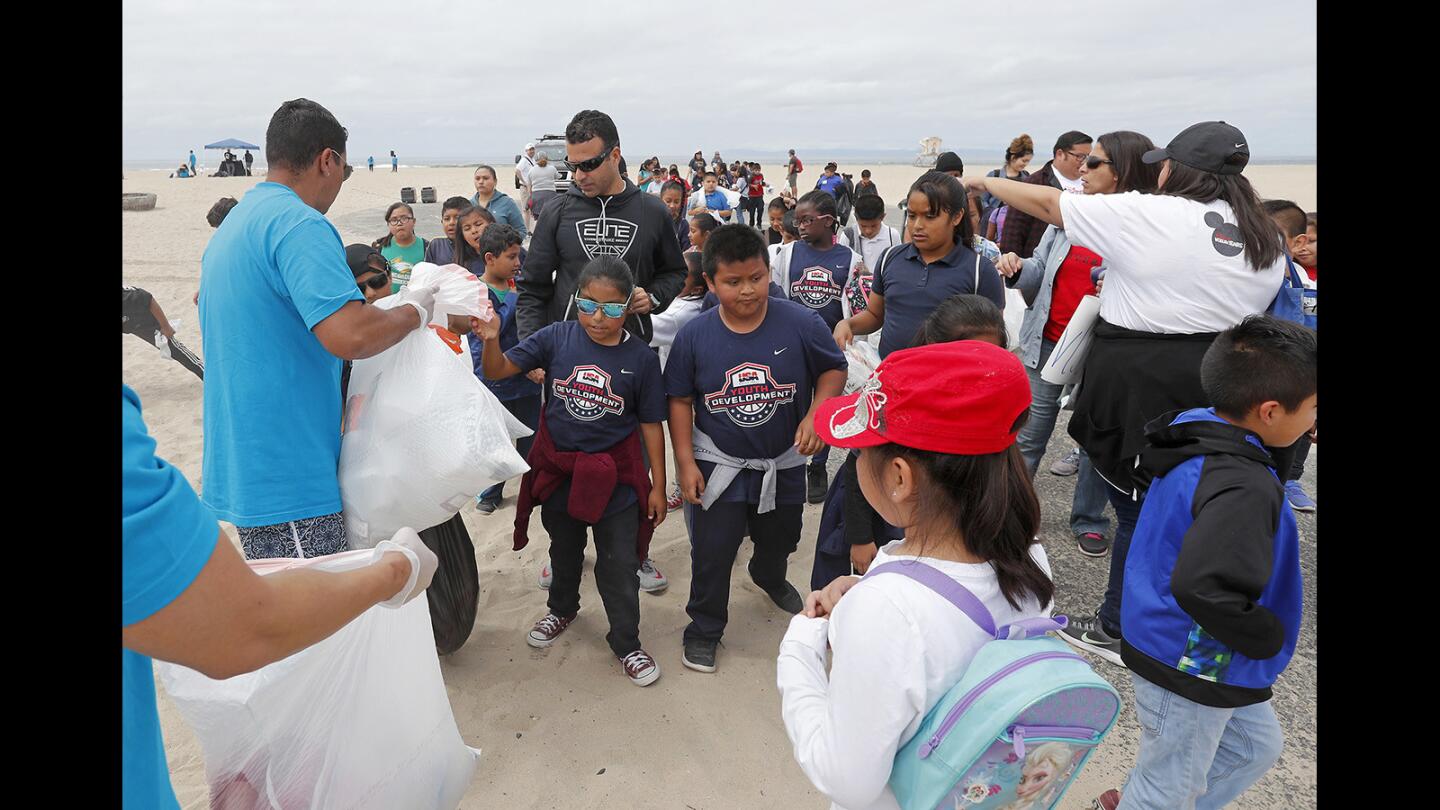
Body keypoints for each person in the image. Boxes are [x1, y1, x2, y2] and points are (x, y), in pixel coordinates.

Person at [965, 120, 1288, 667]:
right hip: (1221, 388)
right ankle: (1172, 619)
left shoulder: (1156, 214)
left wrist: (982, 181)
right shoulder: (1262, 234)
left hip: (1143, 388)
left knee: (1139, 509)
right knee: (1186, 504)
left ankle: (1123, 627)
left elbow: (1049, 203)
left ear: (1178, 170)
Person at [122, 384, 438, 810]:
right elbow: (240, 628)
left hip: (265, 469)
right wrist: (396, 572)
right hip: (289, 479)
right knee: (311, 682)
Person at [776, 339, 1054, 810]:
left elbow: (845, 779)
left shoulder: (888, 611)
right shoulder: (1029, 560)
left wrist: (800, 642)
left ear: (900, 477)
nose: (857, 460)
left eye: (861, 450)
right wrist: (871, 588)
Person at [198, 97, 437, 560]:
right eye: (345, 173)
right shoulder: (299, 223)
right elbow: (352, 335)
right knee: (319, 622)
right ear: (328, 160)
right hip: (289, 470)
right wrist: (414, 313)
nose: (340, 185)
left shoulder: (235, 226)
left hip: (248, 459)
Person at [1104, 314, 1312, 810]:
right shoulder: (1243, 483)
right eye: (1313, 409)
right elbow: (1202, 586)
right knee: (1166, 788)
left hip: (1169, 636)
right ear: (1269, 410)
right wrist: (1264, 634)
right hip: (1196, 661)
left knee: (1252, 748)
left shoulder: (1199, 433)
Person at [477, 257, 669, 686]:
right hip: (561, 470)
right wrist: (491, 339)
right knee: (563, 550)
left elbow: (651, 424)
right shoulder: (557, 337)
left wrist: (657, 483)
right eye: (589, 305)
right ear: (574, 299)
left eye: (613, 309)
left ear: (629, 308)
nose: (599, 318)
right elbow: (497, 370)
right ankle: (561, 610)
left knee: (619, 564)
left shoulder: (640, 359)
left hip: (615, 478)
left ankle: (626, 641)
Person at [665, 224, 847, 673]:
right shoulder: (695, 336)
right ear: (710, 283)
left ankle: (768, 574)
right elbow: (680, 401)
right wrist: (685, 463)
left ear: (769, 273)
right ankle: (704, 628)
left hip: (782, 463)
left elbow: (833, 371)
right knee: (713, 551)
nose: (747, 290)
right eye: (732, 282)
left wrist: (815, 414)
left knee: (782, 537)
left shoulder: (800, 322)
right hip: (719, 465)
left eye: (756, 277)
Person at [995, 131, 1161, 559]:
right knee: (1028, 436)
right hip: (1048, 344)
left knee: (1095, 445)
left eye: (1092, 163)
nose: (1081, 171)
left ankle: (1088, 520)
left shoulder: (1144, 229)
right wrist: (1015, 269)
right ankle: (1008, 515)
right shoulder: (1070, 219)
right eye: (1082, 161)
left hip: (1105, 356)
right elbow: (1037, 273)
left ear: (1120, 173)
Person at [810, 293, 1008, 592]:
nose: (977, 368)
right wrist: (860, 537)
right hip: (876, 516)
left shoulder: (990, 422)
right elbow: (857, 464)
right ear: (931, 350)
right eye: (964, 356)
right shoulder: (899, 403)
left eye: (989, 357)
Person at [517, 109, 687, 345]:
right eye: (572, 165)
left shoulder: (654, 212)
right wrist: (531, 348)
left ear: (615, 156)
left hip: (631, 352)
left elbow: (674, 272)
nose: (578, 176)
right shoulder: (557, 211)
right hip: (566, 351)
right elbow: (532, 288)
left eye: (589, 165)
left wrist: (653, 298)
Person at [834, 171, 1007, 361]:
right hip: (891, 378)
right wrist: (848, 324)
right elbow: (875, 314)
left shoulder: (979, 271)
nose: (917, 225)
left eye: (930, 216)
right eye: (912, 215)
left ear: (957, 217)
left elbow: (992, 341)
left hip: (947, 381)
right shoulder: (890, 258)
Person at [772, 190, 864, 503]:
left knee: (824, 406)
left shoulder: (849, 260)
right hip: (792, 345)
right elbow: (778, 296)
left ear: (827, 221)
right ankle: (787, 464)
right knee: (790, 404)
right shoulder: (787, 254)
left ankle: (818, 466)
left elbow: (855, 305)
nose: (800, 226)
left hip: (830, 348)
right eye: (797, 220)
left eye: (807, 220)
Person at [464, 224, 543, 513]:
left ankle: (532, 487)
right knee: (494, 440)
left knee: (530, 437)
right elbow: (492, 332)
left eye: (518, 256)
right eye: (511, 257)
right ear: (489, 258)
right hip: (492, 381)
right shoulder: (476, 291)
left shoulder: (519, 285)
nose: (517, 263)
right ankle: (491, 490)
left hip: (526, 381)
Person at [1261, 199, 1317, 512]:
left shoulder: (1303, 282)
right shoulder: (1245, 270)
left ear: (1296, 243)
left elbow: (1311, 319)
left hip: (1293, 376)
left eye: (1271, 235)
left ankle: (1285, 486)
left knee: (1289, 444)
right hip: (1254, 376)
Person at [998, 131, 1091, 259]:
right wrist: (1014, 266)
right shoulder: (1035, 183)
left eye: (1088, 157)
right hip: (1042, 263)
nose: (1084, 162)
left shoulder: (1092, 183)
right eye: (1080, 156)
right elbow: (1014, 229)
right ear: (1060, 154)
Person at [123, 286, 204, 379]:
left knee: (173, 349)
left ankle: (207, 375)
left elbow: (147, 298)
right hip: (127, 323)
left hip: (142, 320)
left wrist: (165, 327)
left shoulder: (126, 297)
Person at [372, 202, 425, 294]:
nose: (399, 223)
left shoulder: (427, 247)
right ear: (388, 224)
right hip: (389, 304)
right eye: (393, 220)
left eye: (404, 218)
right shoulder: (379, 247)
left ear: (414, 221)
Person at [840, 194, 901, 271]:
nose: (868, 231)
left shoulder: (892, 235)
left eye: (873, 226)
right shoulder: (848, 236)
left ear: (882, 217)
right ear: (856, 217)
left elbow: (897, 264)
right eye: (863, 226)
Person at [472, 164, 528, 240]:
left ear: (495, 181)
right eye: (477, 179)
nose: (481, 182)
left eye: (485, 178)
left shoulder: (507, 203)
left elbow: (521, 231)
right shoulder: (469, 204)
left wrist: (504, 243)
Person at [982, 133, 1035, 214]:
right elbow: (982, 200)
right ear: (1013, 157)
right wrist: (991, 213)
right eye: (1024, 161)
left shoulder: (1027, 177)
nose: (1026, 164)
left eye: (1028, 161)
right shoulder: (994, 175)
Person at [423, 196, 471, 265]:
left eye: (457, 218)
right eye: (447, 219)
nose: (451, 223)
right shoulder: (436, 246)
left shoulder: (475, 246)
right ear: (442, 222)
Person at [660, 180, 692, 252]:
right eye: (668, 201)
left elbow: (687, 251)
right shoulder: (652, 221)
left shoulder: (683, 225)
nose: (672, 206)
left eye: (676, 202)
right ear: (661, 199)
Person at [527, 153, 560, 223]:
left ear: (536, 160)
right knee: (550, 217)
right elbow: (558, 176)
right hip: (550, 195)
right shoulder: (552, 168)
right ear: (547, 159)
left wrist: (530, 195)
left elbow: (528, 183)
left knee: (538, 219)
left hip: (536, 196)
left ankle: (538, 232)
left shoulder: (532, 170)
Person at [516, 143, 538, 231]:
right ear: (526, 151)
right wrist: (524, 182)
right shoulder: (524, 160)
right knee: (526, 210)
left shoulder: (533, 160)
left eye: (533, 149)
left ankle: (529, 230)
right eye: (530, 150)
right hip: (525, 188)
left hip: (532, 187)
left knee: (531, 210)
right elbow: (517, 170)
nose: (532, 151)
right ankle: (526, 230)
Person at [745, 162, 768, 227]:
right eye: (756, 170)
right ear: (753, 170)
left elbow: (761, 183)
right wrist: (753, 186)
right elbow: (747, 184)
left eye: (759, 170)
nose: (757, 172)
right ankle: (751, 224)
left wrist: (766, 184)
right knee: (752, 212)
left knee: (760, 210)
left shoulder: (761, 175)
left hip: (760, 196)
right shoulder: (751, 176)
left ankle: (759, 223)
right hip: (752, 196)